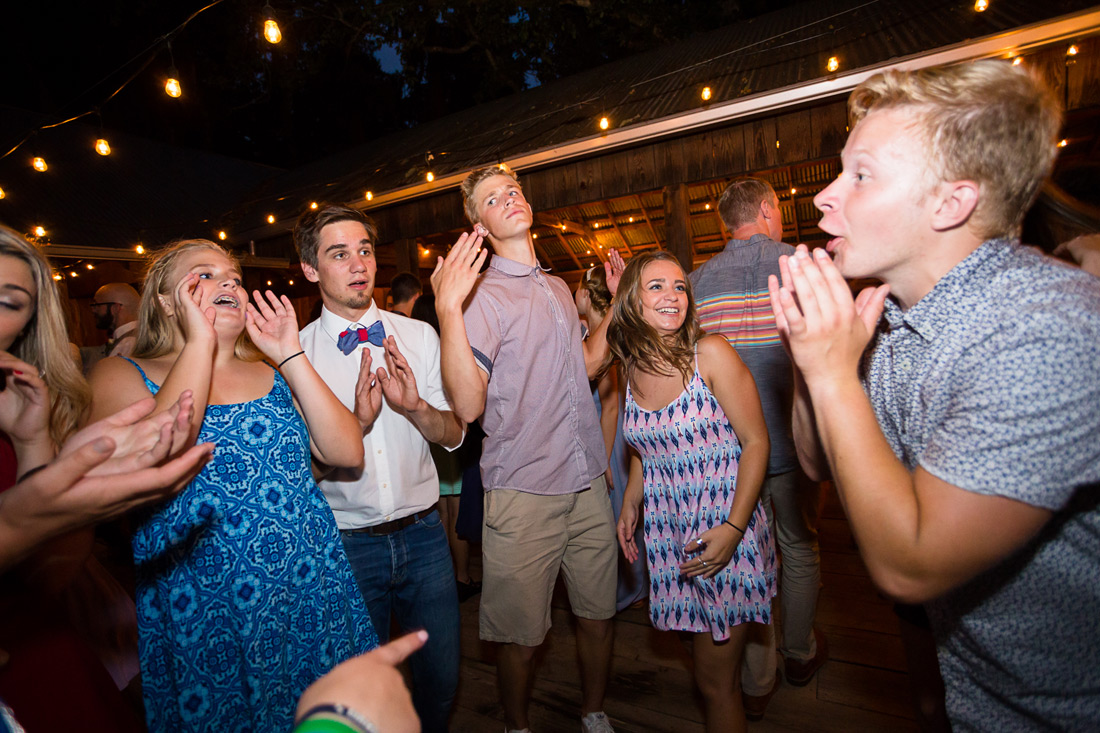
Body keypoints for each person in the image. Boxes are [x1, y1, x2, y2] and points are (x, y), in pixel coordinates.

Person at [768, 60, 1100, 731]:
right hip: (979, 692)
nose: (825, 197)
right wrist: (811, 360)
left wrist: (833, 372)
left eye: (860, 174)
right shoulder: (891, 324)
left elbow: (910, 564)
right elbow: (816, 463)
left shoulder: (1043, 329)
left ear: (951, 202)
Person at [87, 238, 377, 731]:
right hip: (210, 599)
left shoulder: (270, 372)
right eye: (203, 274)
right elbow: (157, 454)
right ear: (163, 300)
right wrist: (200, 343)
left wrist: (289, 353)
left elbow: (345, 452)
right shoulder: (122, 373)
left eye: (235, 278)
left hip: (311, 584)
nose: (228, 283)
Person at [432, 166, 624, 733]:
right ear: (479, 224)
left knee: (598, 615)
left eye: (513, 190)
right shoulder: (481, 299)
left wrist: (615, 306)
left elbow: (587, 365)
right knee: (519, 636)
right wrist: (447, 309)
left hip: (588, 481)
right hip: (524, 493)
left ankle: (593, 713)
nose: (509, 199)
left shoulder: (559, 287)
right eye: (493, 198)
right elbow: (468, 406)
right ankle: (517, 727)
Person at [294, 205, 464, 733]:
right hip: (345, 546)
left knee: (442, 679)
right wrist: (356, 427)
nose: (358, 263)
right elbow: (300, 477)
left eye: (364, 250)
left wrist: (416, 408)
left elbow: (455, 435)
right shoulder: (294, 355)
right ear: (310, 269)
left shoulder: (419, 336)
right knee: (356, 690)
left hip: (425, 538)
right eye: (338, 253)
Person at [608, 251, 775, 733]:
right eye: (656, 286)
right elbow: (645, 445)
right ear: (632, 300)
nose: (672, 296)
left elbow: (757, 443)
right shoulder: (631, 367)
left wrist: (733, 528)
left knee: (714, 683)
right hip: (670, 533)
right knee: (706, 663)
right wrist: (631, 499)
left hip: (724, 529)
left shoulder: (712, 353)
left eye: (680, 286)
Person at [688, 177, 826, 719]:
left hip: (730, 455)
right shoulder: (802, 267)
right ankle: (799, 653)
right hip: (792, 441)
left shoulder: (696, 282)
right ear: (769, 209)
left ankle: (757, 679)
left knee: (747, 558)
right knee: (797, 546)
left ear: (727, 222)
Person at [574, 265, 645, 611]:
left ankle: (619, 590)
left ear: (586, 294)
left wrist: (602, 461)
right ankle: (634, 584)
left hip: (611, 439)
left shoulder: (601, 336)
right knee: (629, 515)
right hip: (614, 435)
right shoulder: (610, 328)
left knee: (615, 515)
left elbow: (611, 405)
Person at [410, 293, 481, 602]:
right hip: (451, 433)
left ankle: (444, 576)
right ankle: (461, 576)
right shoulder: (447, 350)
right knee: (456, 509)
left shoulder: (414, 349)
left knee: (440, 510)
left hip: (429, 438)